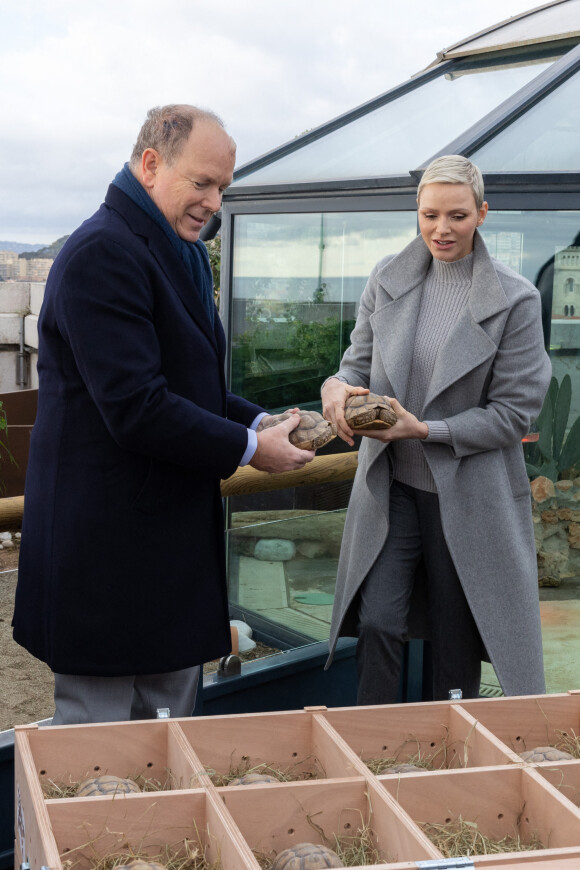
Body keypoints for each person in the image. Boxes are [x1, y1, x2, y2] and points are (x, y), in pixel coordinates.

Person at [12, 104, 314, 725]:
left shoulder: (175, 249)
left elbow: (189, 386)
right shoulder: (103, 252)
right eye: (202, 183)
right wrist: (254, 451)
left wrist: (258, 422)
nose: (214, 202)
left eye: (223, 188)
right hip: (106, 553)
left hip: (157, 545)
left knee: (168, 738)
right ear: (151, 164)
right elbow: (137, 408)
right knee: (96, 756)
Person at [321, 155, 551, 704]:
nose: (441, 229)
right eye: (429, 215)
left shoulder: (516, 298)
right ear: (417, 214)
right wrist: (335, 385)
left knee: (455, 643)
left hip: (469, 494)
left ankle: (450, 762)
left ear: (482, 214)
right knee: (378, 621)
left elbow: (514, 414)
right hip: (392, 486)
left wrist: (425, 431)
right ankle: (371, 750)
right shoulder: (388, 278)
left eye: (457, 215)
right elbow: (357, 363)